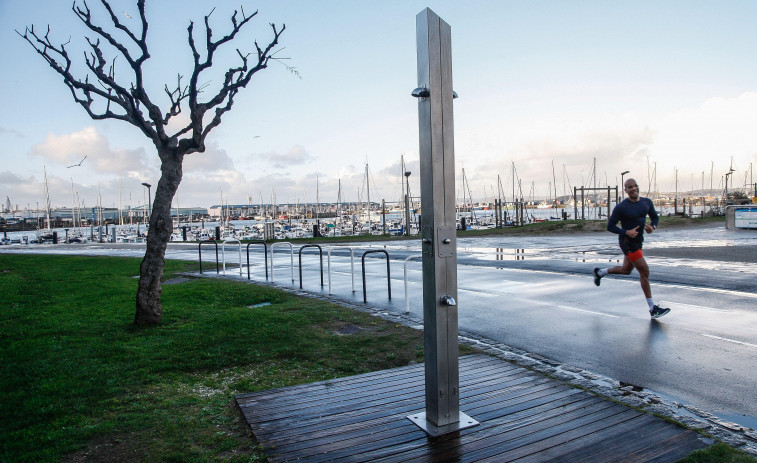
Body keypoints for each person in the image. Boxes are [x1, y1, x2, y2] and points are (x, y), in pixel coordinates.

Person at [593, 178, 670, 319]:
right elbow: (610, 226)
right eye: (630, 187)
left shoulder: (646, 202)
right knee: (644, 271)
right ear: (626, 190)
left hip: (639, 241)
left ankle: (600, 272)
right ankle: (653, 308)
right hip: (627, 242)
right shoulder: (621, 207)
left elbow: (655, 218)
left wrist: (652, 227)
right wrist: (626, 232)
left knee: (626, 270)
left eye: (635, 186)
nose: (633, 189)